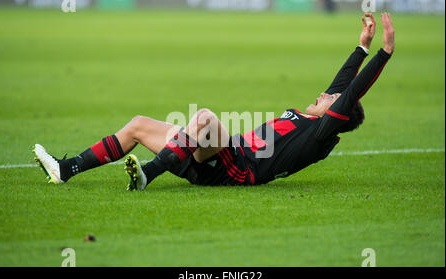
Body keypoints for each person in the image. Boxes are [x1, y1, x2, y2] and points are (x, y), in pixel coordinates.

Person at [34, 13, 395, 190]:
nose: (324, 93)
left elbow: (348, 93)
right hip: (217, 156)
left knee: (205, 116)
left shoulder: (321, 133)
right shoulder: (310, 116)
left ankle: (149, 175)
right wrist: (362, 45)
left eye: (329, 98)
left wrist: (383, 54)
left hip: (238, 168)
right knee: (138, 125)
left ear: (337, 113)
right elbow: (343, 82)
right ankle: (67, 170)